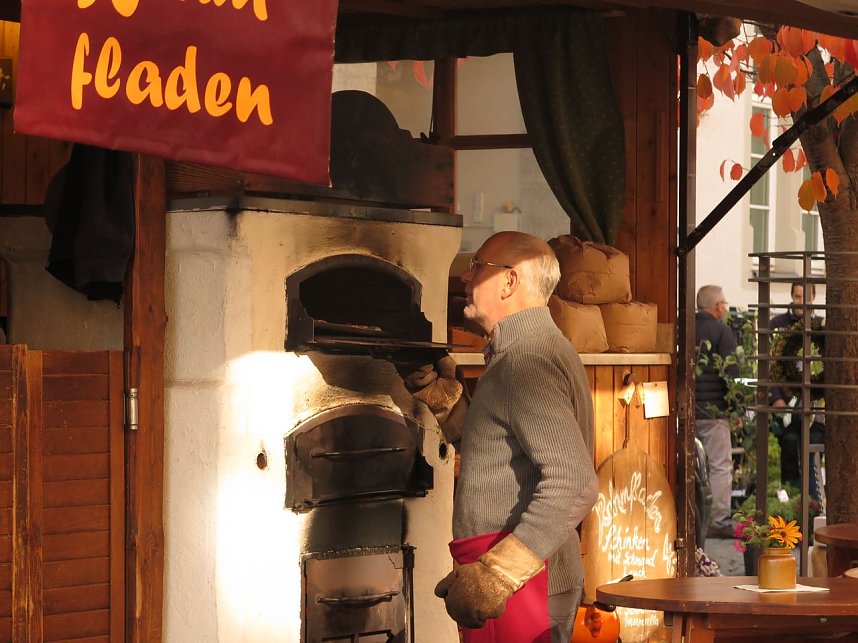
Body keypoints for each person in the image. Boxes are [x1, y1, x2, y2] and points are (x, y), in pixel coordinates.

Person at [423, 231, 599, 643]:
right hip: (521, 582)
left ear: (509, 281)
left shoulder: (526, 360)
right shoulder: (523, 352)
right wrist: (445, 401)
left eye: (477, 267)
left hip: (523, 588)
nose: (466, 276)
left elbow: (575, 483)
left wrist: (499, 573)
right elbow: (502, 452)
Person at [769, 282, 824, 506]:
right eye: (798, 296)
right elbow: (769, 366)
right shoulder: (778, 325)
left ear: (814, 297)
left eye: (806, 297)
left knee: (813, 449)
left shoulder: (821, 327)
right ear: (792, 296)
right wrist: (776, 397)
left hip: (814, 406)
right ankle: (791, 501)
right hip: (787, 405)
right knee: (790, 447)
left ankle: (813, 501)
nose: (801, 302)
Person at [694, 285, 739, 539]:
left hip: (689, 410)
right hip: (714, 413)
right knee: (720, 466)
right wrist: (735, 409)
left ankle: (690, 515)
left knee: (690, 466)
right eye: (724, 304)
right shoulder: (722, 331)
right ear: (718, 307)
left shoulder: (686, 328)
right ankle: (718, 520)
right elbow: (731, 374)